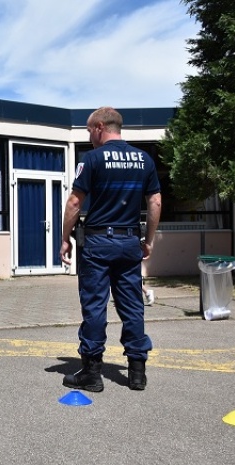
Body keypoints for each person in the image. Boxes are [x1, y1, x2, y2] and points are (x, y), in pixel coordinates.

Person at [59, 106, 161, 392]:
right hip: (129, 243)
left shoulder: (91, 160)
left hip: (99, 243)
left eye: (90, 130)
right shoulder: (144, 160)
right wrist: (148, 241)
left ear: (101, 126)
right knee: (132, 305)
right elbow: (155, 203)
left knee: (94, 305)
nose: (89, 135)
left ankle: (92, 373)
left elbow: (74, 204)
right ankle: (137, 372)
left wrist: (65, 238)